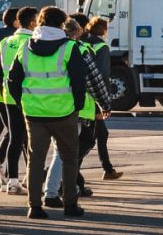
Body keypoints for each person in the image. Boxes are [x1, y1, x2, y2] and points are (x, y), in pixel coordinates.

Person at [8, 7, 91, 219]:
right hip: (64, 112)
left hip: (34, 113)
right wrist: (77, 105)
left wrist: (22, 103)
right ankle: (70, 205)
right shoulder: (70, 47)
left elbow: (12, 80)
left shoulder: (25, 48)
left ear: (40, 23)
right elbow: (79, 80)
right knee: (69, 159)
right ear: (62, 24)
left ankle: (34, 207)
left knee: (36, 161)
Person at [44, 14, 114, 208]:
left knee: (60, 150)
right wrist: (105, 104)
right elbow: (96, 80)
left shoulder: (41, 47)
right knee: (68, 151)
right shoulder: (80, 49)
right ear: (77, 33)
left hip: (44, 107)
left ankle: (63, 185)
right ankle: (60, 188)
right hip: (75, 109)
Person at [0, 6, 36, 195]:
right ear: (31, 23)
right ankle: (31, 177)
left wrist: (6, 90)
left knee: (15, 137)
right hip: (29, 97)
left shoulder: (6, 41)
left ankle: (13, 181)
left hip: (8, 97)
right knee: (30, 139)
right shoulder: (32, 41)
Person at [86, 16, 122, 180]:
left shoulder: (85, 43)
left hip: (84, 96)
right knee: (90, 138)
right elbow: (102, 75)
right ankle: (68, 174)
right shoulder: (102, 47)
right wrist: (104, 102)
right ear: (103, 30)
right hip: (94, 99)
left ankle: (108, 168)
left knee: (101, 134)